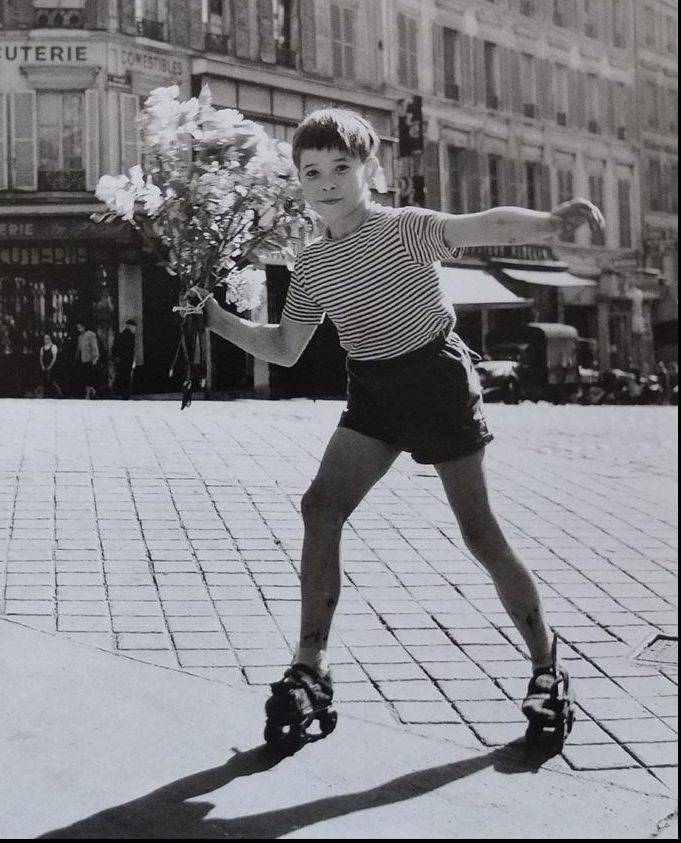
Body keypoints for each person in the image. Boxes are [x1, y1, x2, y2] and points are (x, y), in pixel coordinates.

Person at [185, 108, 604, 743]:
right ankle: (310, 667)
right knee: (320, 507)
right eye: (311, 172)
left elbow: (480, 226)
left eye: (340, 168)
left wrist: (549, 223)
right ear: (299, 181)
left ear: (369, 170)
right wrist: (216, 321)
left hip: (435, 379)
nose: (326, 183)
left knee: (480, 536)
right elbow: (286, 347)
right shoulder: (313, 264)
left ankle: (547, 667)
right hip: (374, 390)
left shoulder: (406, 228)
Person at [112, 318, 138, 399]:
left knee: (121, 376)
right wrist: (133, 359)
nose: (134, 329)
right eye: (134, 327)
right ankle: (127, 394)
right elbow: (131, 349)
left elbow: (114, 348)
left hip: (121, 360)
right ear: (131, 326)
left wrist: (117, 357)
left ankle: (121, 393)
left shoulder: (120, 335)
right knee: (127, 377)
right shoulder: (131, 336)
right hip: (127, 359)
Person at [75, 322, 100, 399]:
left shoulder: (90, 335)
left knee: (88, 378)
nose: (79, 329)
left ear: (84, 326)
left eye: (80, 327)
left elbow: (94, 347)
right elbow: (79, 349)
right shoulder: (80, 337)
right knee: (85, 377)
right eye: (78, 328)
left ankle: (88, 394)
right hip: (83, 359)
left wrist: (95, 358)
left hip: (90, 359)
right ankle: (92, 391)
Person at [38, 333, 62, 398]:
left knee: (50, 379)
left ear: (51, 339)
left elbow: (54, 358)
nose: (46, 340)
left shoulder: (53, 346)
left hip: (52, 365)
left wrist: (50, 366)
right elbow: (41, 357)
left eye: (48, 338)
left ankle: (49, 394)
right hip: (44, 365)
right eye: (45, 339)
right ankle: (46, 393)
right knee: (44, 380)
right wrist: (42, 365)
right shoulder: (42, 348)